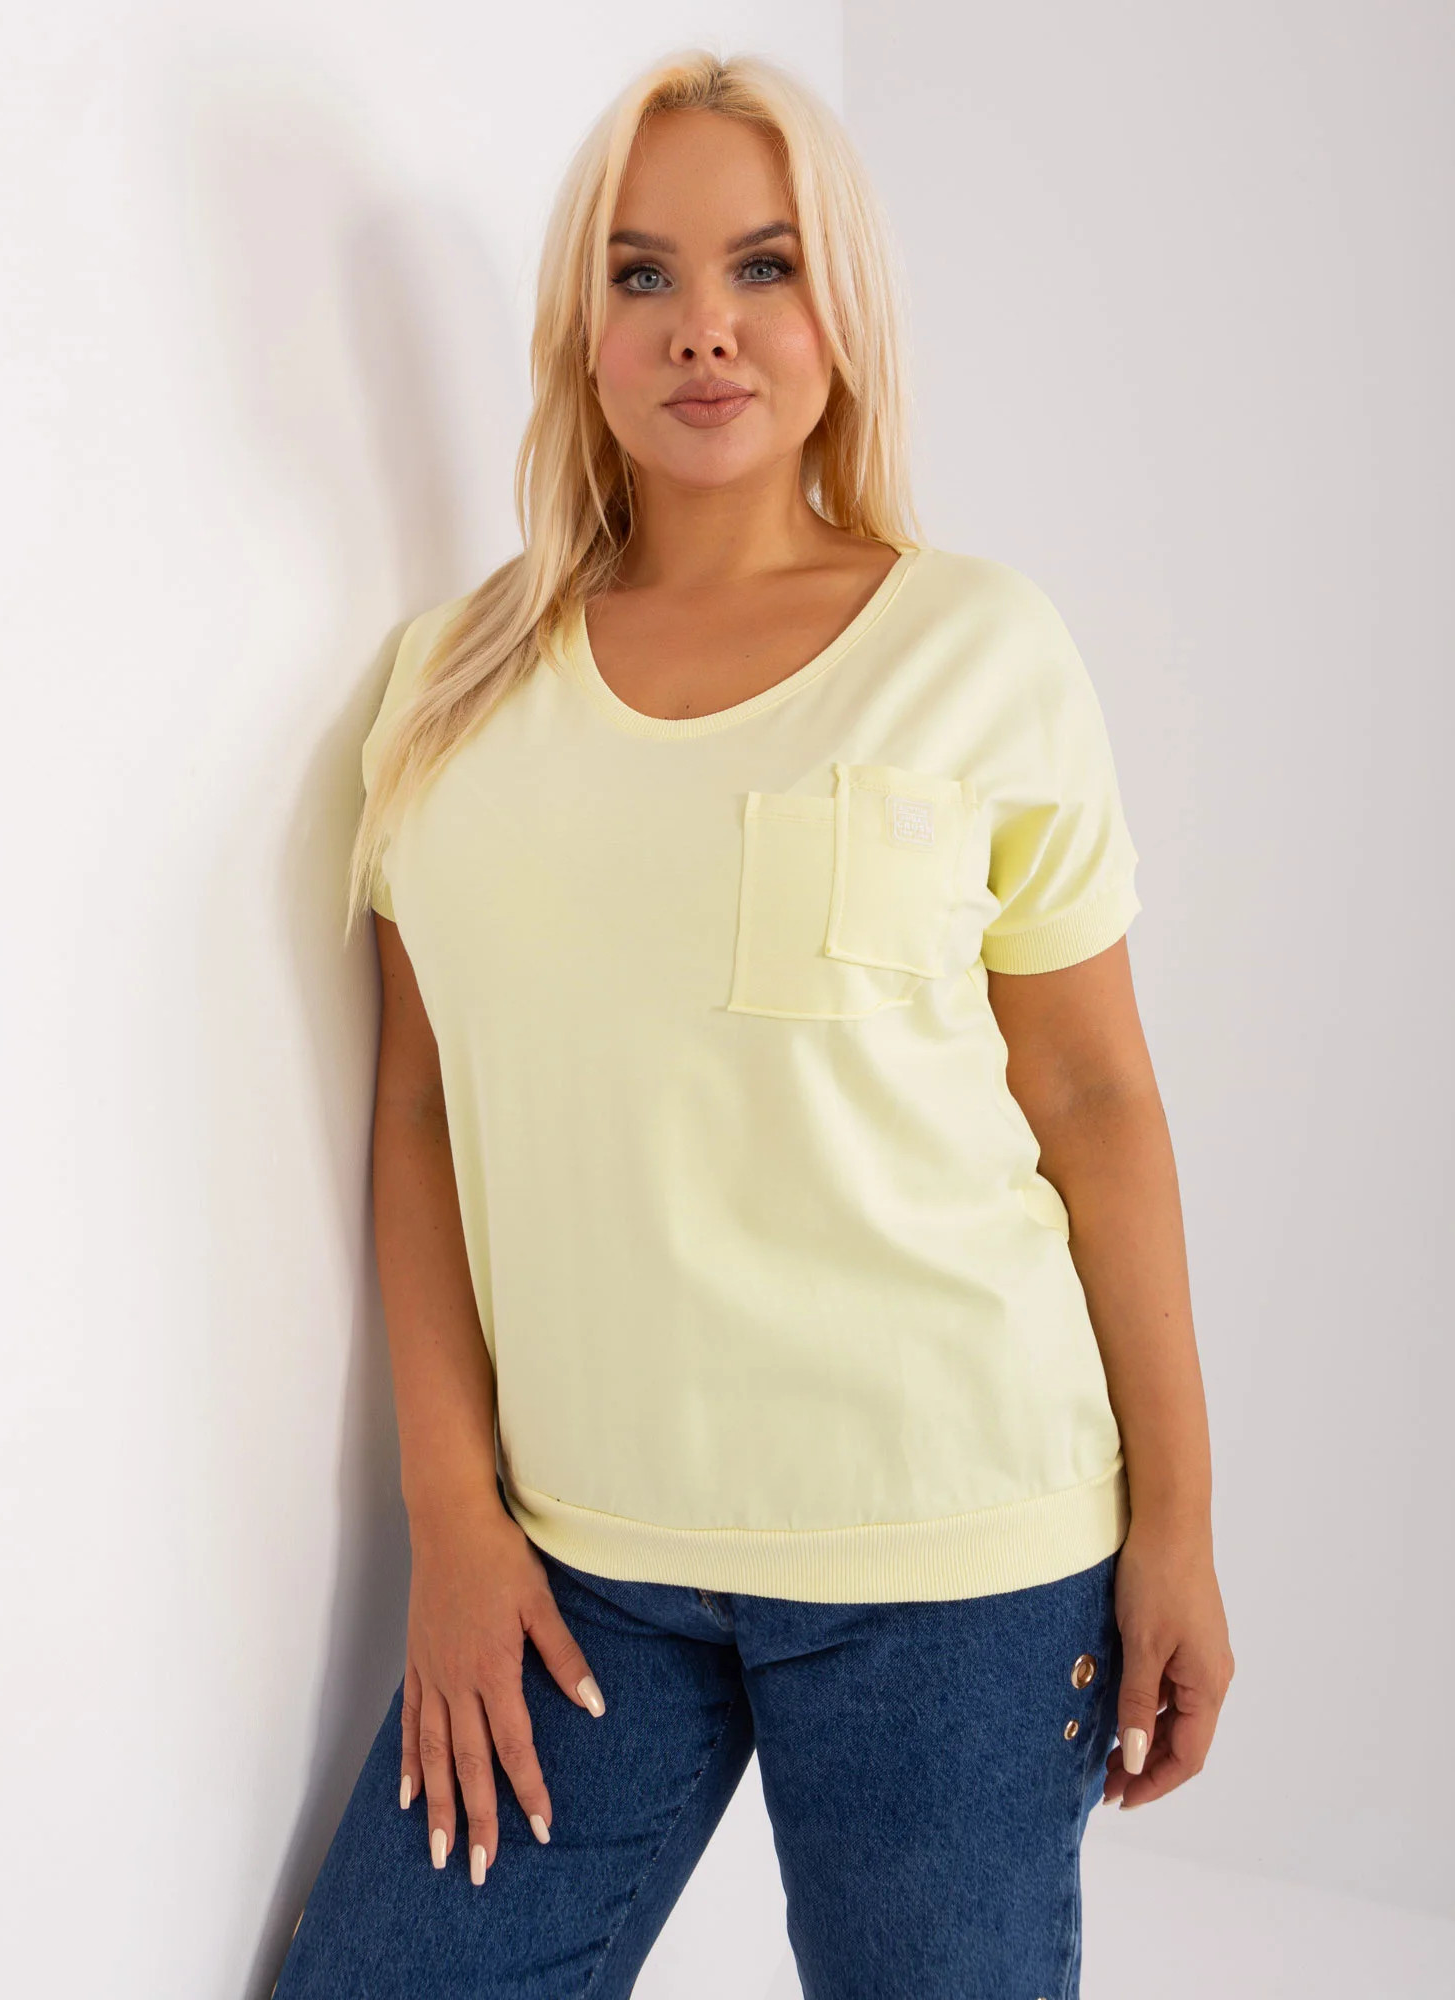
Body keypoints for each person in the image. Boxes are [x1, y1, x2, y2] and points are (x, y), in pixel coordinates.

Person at [274, 45, 1233, 2000]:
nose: (702, 325)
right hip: (579, 1565)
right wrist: (449, 1517)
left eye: (763, 266)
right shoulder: (453, 690)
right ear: (583, 329)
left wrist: (1182, 1523)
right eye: (642, 273)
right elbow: (421, 1113)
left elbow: (1094, 1096)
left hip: (958, 1555)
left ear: (840, 310)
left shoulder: (978, 646)